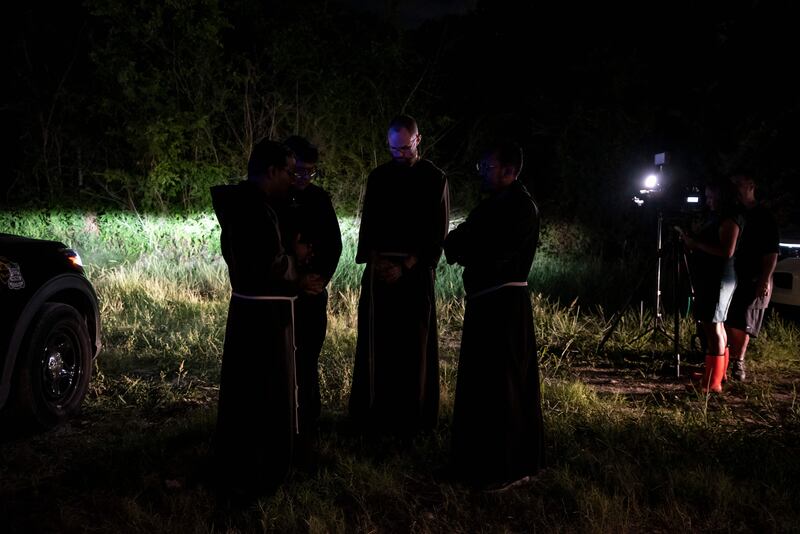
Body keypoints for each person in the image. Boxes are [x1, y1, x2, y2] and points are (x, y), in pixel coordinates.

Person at [209, 139, 322, 497]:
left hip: (252, 312)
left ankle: (253, 456)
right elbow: (268, 265)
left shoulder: (250, 204)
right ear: (271, 171)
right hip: (263, 318)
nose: (293, 179)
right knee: (264, 390)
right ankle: (261, 463)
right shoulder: (253, 209)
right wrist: (298, 263)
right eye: (288, 172)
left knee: (252, 391)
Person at [443, 142, 545, 491]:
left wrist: (471, 245)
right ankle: (477, 460)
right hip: (484, 304)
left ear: (509, 171)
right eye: (482, 167)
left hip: (506, 307)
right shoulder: (490, 205)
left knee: (505, 387)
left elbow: (491, 251)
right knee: (480, 386)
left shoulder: (521, 208)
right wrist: (471, 244)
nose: (483, 173)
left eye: (488, 167)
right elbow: (455, 245)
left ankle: (509, 465)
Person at [348, 114, 449, 436]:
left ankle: (412, 421)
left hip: (415, 275)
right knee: (379, 345)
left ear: (418, 140)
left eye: (405, 148)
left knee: (412, 347)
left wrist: (406, 265)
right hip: (380, 275)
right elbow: (370, 226)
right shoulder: (378, 177)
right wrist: (377, 262)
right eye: (394, 150)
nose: (400, 155)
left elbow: (437, 231)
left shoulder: (434, 179)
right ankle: (374, 416)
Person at [277, 135, 342, 463]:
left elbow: (334, 244)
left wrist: (319, 279)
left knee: (308, 357)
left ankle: (309, 422)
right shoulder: (276, 198)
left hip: (314, 293)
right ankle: (281, 420)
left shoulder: (319, 199)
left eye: (310, 173)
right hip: (284, 295)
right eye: (299, 171)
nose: (304, 179)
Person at [676, 176, 743, 393]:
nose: (708, 200)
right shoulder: (719, 217)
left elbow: (726, 252)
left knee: (712, 327)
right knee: (717, 325)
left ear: (722, 197)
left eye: (712, 196)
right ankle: (715, 373)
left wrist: (695, 243)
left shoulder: (729, 220)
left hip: (719, 279)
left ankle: (712, 384)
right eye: (707, 196)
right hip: (713, 278)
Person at [724, 173, 779, 381]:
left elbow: (772, 251)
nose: (736, 188)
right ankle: (726, 359)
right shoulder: (734, 213)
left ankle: (739, 361)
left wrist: (765, 278)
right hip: (733, 273)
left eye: (740, 183)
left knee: (744, 320)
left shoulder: (764, 216)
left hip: (755, 276)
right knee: (729, 318)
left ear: (751, 185)